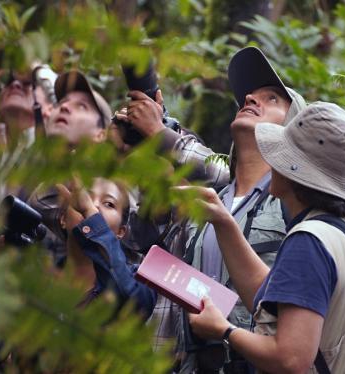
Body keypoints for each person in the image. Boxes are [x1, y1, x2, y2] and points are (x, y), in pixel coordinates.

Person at [118, 46, 306, 372]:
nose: (250, 98)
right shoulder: (200, 199)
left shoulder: (294, 203)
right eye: (249, 96)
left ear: (295, 133)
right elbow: (140, 241)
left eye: (272, 98)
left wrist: (159, 132)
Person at [185, 102, 345, 373]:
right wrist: (224, 223)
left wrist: (224, 330)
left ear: (296, 171)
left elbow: (291, 359)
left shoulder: (307, 243)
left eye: (281, 155)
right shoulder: (340, 230)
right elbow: (273, 295)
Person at [57, 177, 157, 316]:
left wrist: (89, 212)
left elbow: (134, 304)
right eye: (87, 197)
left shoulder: (139, 279)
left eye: (109, 204)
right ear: (63, 219)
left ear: (121, 232)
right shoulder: (40, 267)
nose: (94, 206)